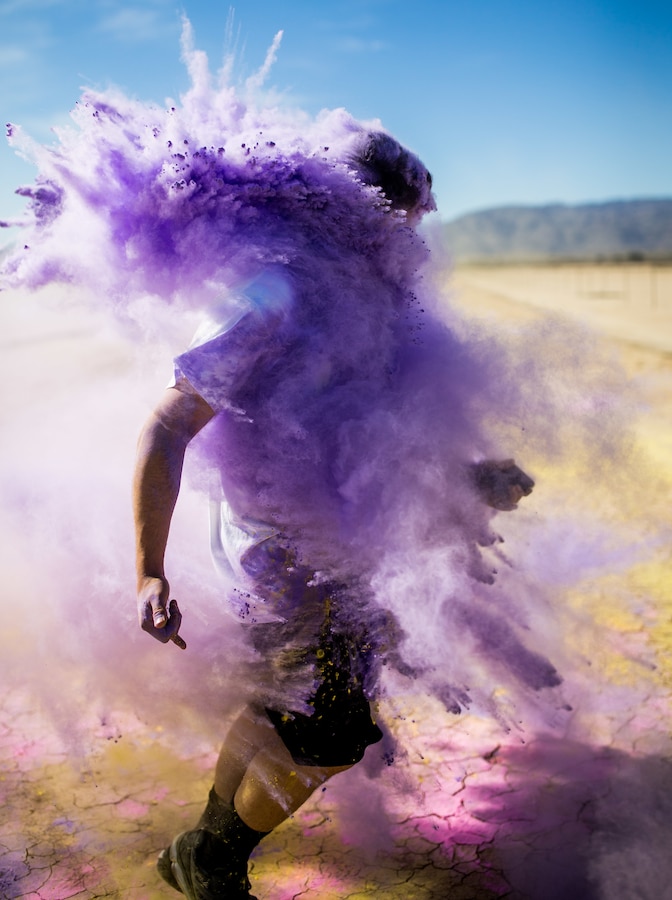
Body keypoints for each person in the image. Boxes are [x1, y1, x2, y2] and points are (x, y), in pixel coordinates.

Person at [132, 130, 535, 899]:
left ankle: (201, 854)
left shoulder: (370, 298)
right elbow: (167, 424)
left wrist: (467, 478)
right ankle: (211, 859)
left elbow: (364, 435)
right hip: (282, 555)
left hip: (337, 547)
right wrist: (149, 569)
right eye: (409, 217)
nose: (418, 236)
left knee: (279, 707)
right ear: (365, 209)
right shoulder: (273, 294)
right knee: (332, 732)